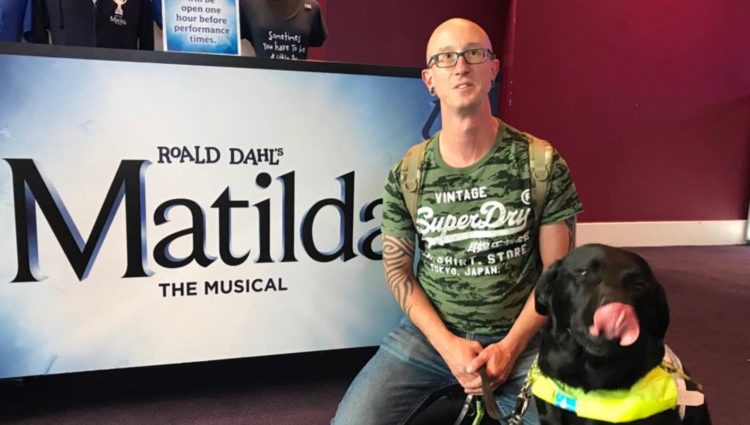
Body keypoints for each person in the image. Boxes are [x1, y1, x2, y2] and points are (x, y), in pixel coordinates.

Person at [332, 18, 583, 425]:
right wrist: (447, 345)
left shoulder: (540, 162)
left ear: (493, 68)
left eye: (474, 54)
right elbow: (399, 272)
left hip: (526, 337)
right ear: (430, 79)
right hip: (431, 340)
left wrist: (510, 346)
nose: (461, 65)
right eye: (446, 58)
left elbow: (558, 273)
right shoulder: (408, 173)